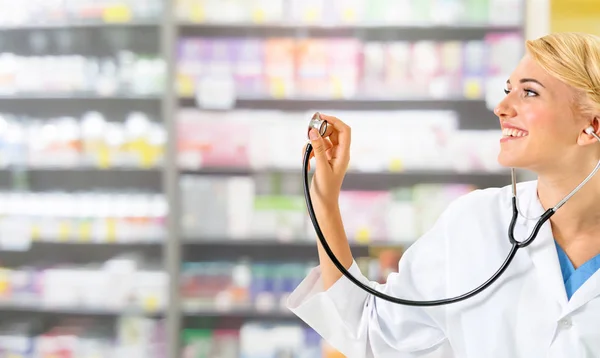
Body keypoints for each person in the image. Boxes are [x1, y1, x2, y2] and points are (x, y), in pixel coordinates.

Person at [287, 32, 600, 357]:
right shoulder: (473, 222)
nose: (502, 108)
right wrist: (324, 202)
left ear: (592, 126)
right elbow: (371, 331)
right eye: (508, 90)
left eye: (529, 93)